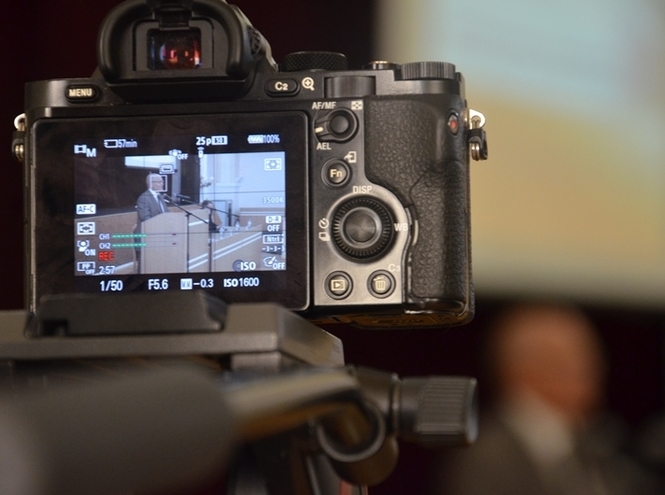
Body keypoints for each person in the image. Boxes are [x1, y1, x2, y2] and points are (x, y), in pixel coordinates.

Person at [431, 302, 657, 495]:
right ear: (526, 369)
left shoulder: (597, 446)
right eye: (576, 362)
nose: (597, 371)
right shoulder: (486, 457)